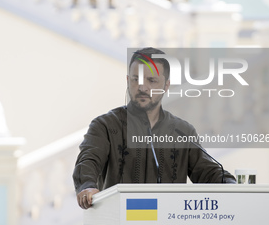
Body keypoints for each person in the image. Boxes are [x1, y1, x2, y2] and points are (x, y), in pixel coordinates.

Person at [73, 47, 236, 210]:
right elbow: (88, 160)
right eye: (136, 79)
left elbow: (208, 173)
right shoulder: (105, 126)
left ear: (166, 85)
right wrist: (86, 186)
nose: (142, 87)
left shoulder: (182, 131)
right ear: (128, 80)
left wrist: (232, 185)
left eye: (151, 80)